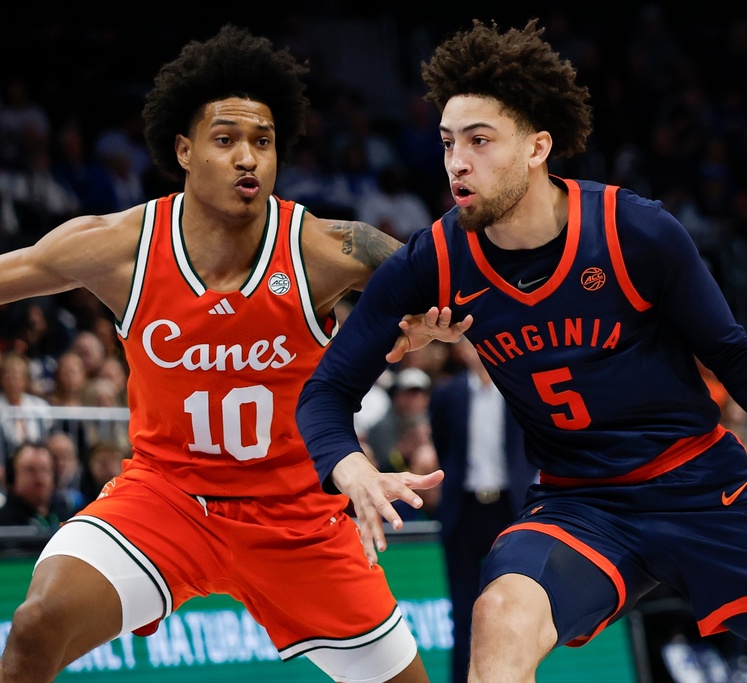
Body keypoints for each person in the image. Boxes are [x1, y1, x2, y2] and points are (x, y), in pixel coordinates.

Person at [297, 19, 747, 683]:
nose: (457, 162)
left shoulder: (635, 231)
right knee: (499, 613)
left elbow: (732, 351)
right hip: (581, 506)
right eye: (449, 142)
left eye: (479, 140)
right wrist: (350, 467)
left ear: (538, 146)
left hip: (704, 491)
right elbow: (325, 392)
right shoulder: (435, 259)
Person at [0, 25, 444, 683]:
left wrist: (438, 324)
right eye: (226, 139)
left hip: (295, 515)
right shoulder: (121, 246)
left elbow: (447, 290)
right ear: (183, 150)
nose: (248, 158)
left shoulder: (326, 247)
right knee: (35, 625)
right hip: (166, 496)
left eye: (263, 142)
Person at [429, 337, 538, 683]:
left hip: (508, 509)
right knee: (463, 610)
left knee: (514, 608)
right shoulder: (449, 394)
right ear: (463, 350)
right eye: (473, 345)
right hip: (464, 511)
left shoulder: (518, 389)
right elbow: (442, 442)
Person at [0, 441, 63, 531]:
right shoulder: (4, 524)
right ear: (12, 477)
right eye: (31, 470)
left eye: (45, 470)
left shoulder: (64, 516)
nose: (40, 478)